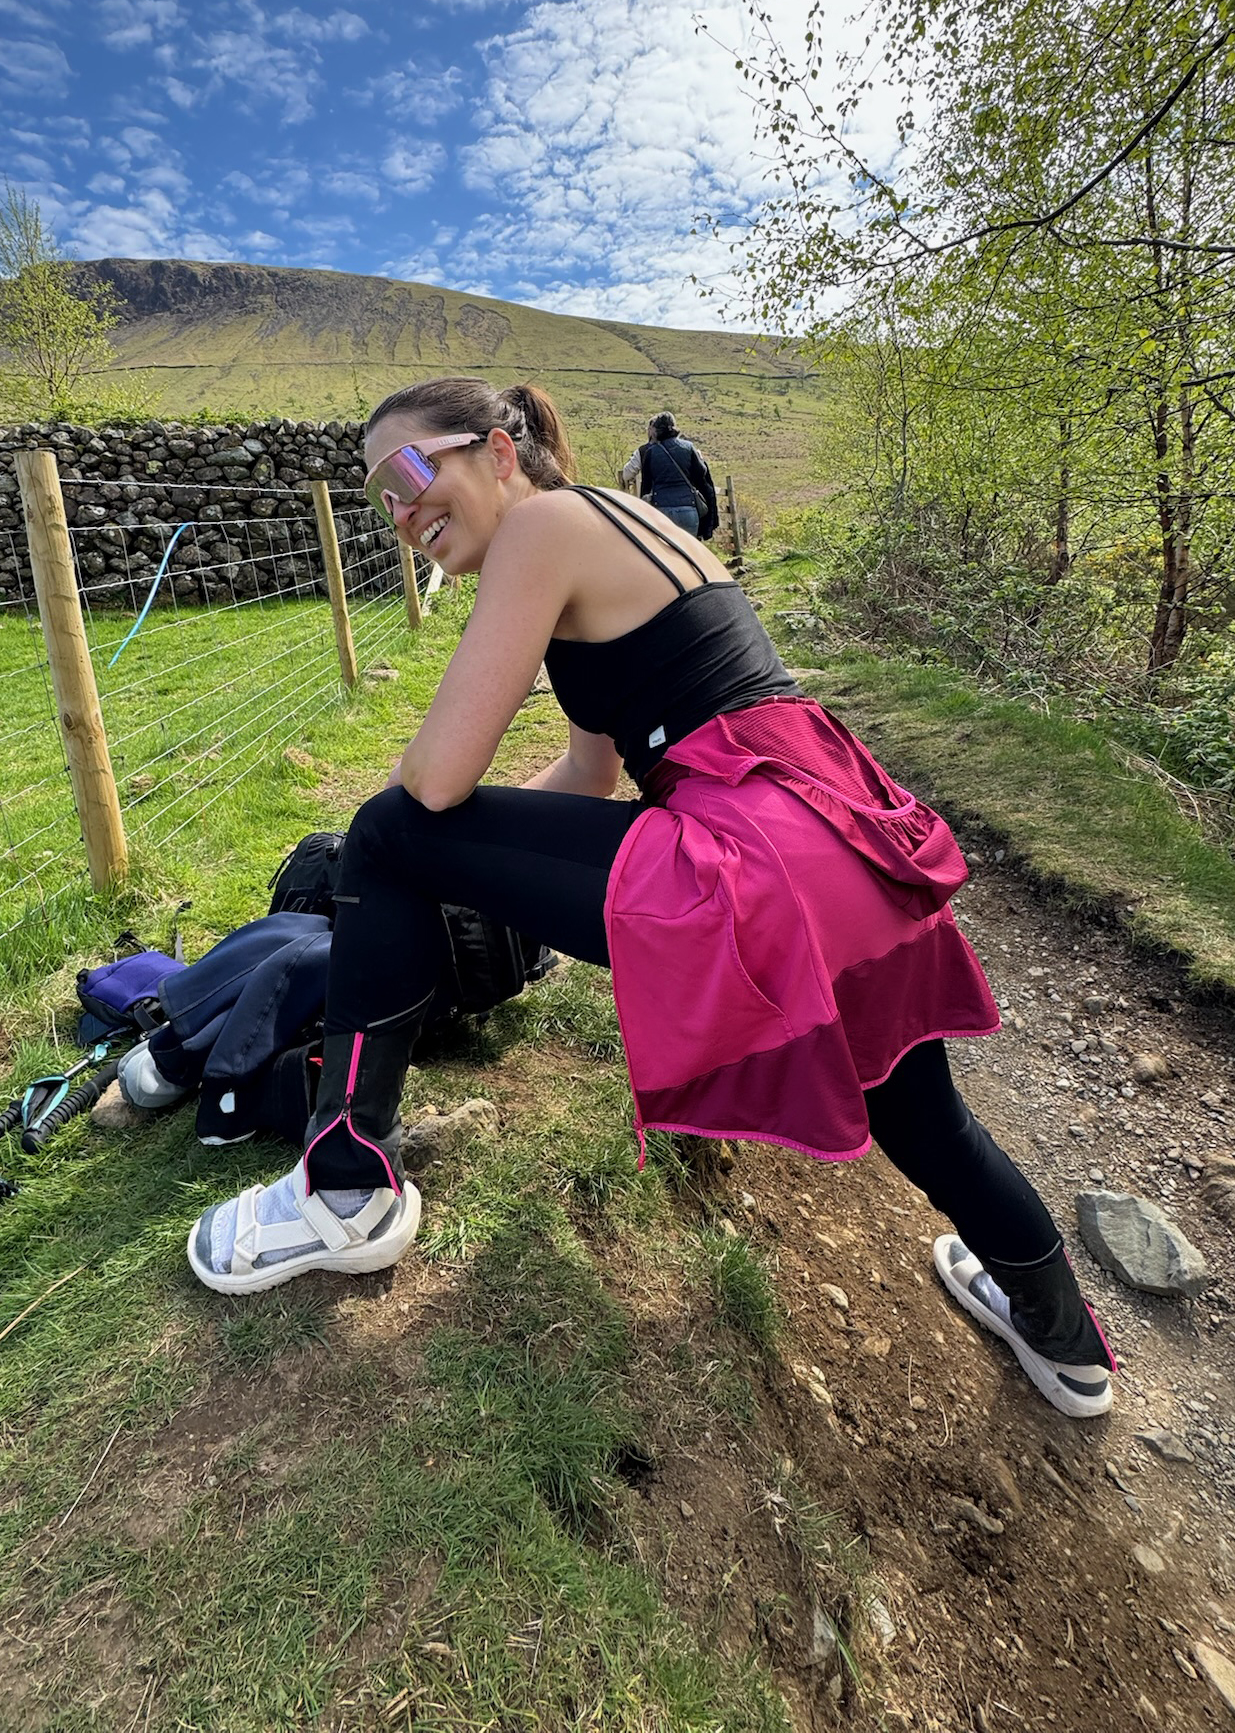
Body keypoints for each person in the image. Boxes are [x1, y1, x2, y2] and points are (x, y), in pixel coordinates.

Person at [188, 378, 1115, 1420]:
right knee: (928, 1116)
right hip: (840, 838)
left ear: (498, 451)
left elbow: (434, 784)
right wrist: (470, 872)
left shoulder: (538, 527)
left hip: (752, 853)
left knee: (384, 828)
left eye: (408, 472)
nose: (401, 512)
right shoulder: (611, 521)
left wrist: (406, 859)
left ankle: (344, 1186)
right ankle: (1066, 1342)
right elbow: (588, 776)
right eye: (378, 497)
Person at [620, 413, 718, 539]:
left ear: (656, 431)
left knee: (663, 549)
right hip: (687, 508)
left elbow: (646, 485)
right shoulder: (688, 447)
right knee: (688, 549)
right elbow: (701, 472)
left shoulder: (650, 452)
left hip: (662, 510)